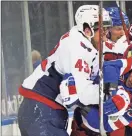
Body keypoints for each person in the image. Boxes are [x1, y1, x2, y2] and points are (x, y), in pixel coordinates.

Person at [18, 5, 112, 136]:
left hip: (45, 109)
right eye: (101, 30)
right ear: (87, 30)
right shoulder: (78, 48)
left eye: (106, 30)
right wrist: (111, 93)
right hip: (41, 108)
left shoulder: (82, 39)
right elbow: (82, 94)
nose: (105, 35)